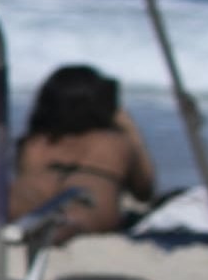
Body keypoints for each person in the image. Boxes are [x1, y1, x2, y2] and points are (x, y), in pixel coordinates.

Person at [13, 64, 159, 242]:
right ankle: (60, 231)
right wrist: (129, 127)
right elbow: (144, 190)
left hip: (40, 182)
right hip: (92, 183)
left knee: (18, 201)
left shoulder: (35, 142)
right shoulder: (114, 142)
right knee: (79, 216)